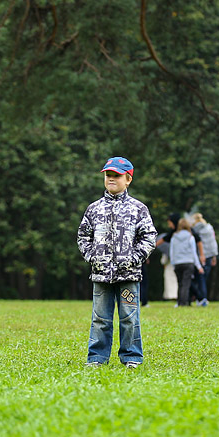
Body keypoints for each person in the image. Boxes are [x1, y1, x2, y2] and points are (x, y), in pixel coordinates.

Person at [77, 156, 156, 368]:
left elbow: (149, 238)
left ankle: (132, 357)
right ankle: (96, 358)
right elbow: (83, 237)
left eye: (116, 176)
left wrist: (134, 258)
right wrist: (92, 257)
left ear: (128, 179)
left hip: (129, 275)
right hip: (101, 275)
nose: (111, 179)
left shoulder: (139, 209)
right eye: (108, 175)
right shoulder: (94, 209)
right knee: (100, 319)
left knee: (129, 318)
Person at [169, 218, 203, 307]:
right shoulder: (190, 237)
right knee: (186, 284)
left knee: (179, 283)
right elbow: (194, 252)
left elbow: (172, 252)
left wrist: (173, 263)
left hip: (177, 263)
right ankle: (184, 302)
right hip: (188, 262)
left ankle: (179, 302)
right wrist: (198, 266)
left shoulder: (174, 237)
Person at [192, 212, 219, 305]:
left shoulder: (195, 230)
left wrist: (200, 255)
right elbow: (213, 242)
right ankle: (201, 297)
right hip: (210, 255)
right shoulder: (209, 228)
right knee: (204, 277)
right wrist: (214, 256)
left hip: (201, 255)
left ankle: (201, 298)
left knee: (200, 278)